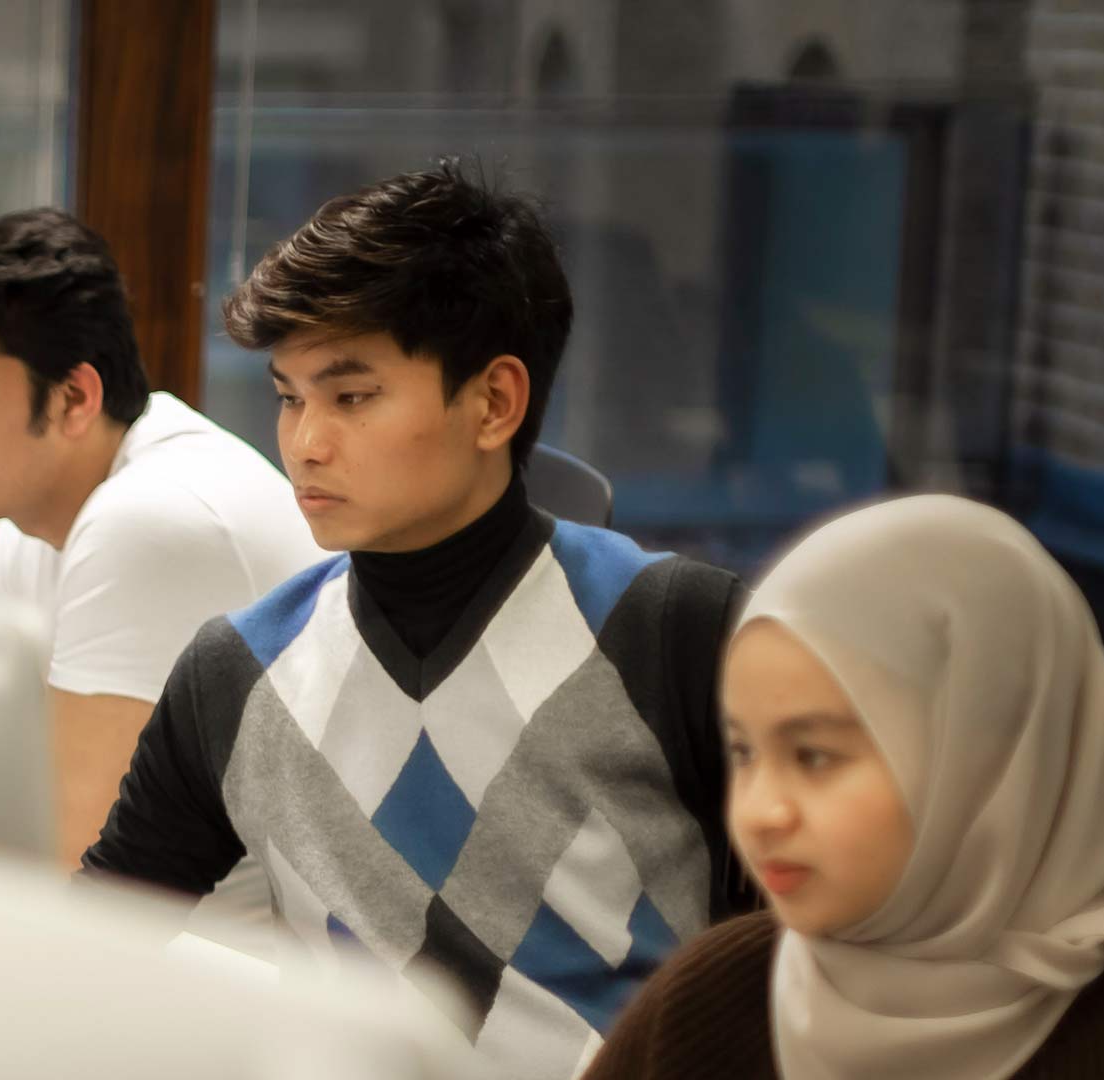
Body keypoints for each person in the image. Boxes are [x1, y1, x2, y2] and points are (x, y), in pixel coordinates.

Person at [81, 161, 746, 1080]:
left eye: (352, 397)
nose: (306, 441)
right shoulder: (236, 671)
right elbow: (90, 947)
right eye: (289, 396)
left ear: (494, 402)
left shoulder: (672, 629)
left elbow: (794, 966)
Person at [585, 495, 1104, 1079]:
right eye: (745, 751)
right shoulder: (713, 999)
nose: (759, 813)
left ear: (986, 768)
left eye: (813, 756)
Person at [0, 208, 325, 917]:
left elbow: (78, 883)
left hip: (225, 983)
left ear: (75, 398)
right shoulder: (34, 508)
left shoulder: (151, 521)